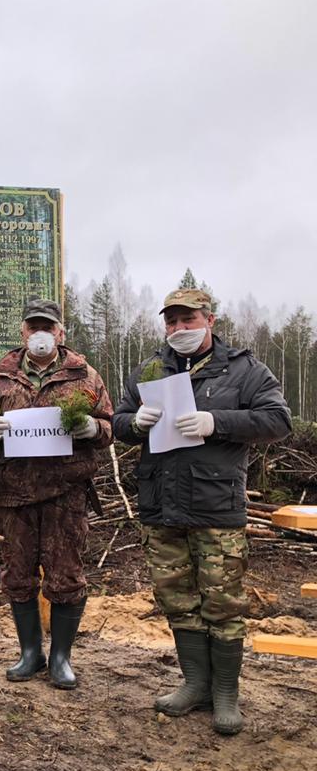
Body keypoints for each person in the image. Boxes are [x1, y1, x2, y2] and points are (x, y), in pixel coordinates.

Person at [114, 288, 291, 735]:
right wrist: (133, 425)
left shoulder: (244, 369)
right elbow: (118, 421)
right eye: (171, 322)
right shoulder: (149, 371)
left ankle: (226, 694)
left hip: (215, 507)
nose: (178, 329)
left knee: (222, 603)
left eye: (187, 320)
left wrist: (218, 422)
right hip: (161, 505)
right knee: (176, 598)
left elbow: (278, 420)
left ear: (209, 320)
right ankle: (195, 683)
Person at [0, 299, 113, 691]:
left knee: (66, 576)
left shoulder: (85, 375)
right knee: (17, 576)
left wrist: (93, 428)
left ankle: (61, 658)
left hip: (66, 493)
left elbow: (109, 427)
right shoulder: (0, 376)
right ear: (22, 332)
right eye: (33, 326)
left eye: (48, 327)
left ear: (61, 332)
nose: (41, 333)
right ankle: (30, 653)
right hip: (14, 493)